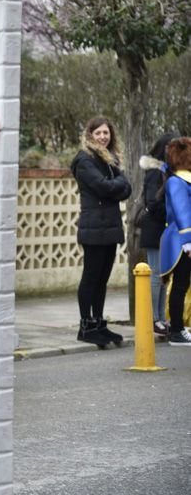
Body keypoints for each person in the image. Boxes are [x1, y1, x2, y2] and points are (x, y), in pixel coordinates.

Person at [70, 116, 132, 347]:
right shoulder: (84, 160)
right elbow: (104, 187)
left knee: (102, 279)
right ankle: (86, 326)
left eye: (106, 132)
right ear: (90, 135)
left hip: (110, 227)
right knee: (91, 277)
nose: (103, 137)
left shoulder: (109, 159)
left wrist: (116, 186)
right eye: (98, 133)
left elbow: (127, 188)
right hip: (93, 228)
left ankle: (98, 323)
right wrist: (117, 185)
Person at [139, 132, 178, 336]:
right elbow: (153, 202)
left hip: (165, 230)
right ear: (163, 148)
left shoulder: (169, 171)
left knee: (164, 276)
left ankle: (161, 318)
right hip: (155, 229)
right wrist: (173, 212)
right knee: (155, 275)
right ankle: (153, 318)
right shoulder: (155, 172)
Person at [159, 137, 191, 346]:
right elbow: (182, 212)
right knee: (180, 285)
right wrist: (188, 240)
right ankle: (177, 331)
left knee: (183, 284)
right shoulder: (176, 181)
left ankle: (179, 328)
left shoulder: (182, 180)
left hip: (183, 240)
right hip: (180, 241)